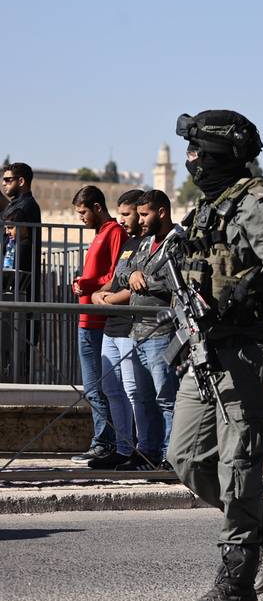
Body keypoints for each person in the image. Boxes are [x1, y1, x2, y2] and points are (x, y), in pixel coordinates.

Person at [166, 111, 263, 601]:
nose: (190, 161)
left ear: (222, 153)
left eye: (197, 152)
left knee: (237, 466)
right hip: (206, 351)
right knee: (185, 458)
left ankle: (237, 580)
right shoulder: (209, 208)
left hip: (250, 353)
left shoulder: (259, 204)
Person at [93, 189, 158, 470]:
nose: (123, 220)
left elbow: (137, 289)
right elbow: (117, 278)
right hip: (112, 324)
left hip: (131, 326)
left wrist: (107, 299)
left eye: (127, 214)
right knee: (112, 390)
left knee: (136, 392)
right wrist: (100, 294)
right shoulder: (129, 243)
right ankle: (122, 448)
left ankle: (144, 450)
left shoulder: (149, 244)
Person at [119, 189, 184, 466]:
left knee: (166, 398)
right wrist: (132, 274)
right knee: (143, 398)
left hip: (161, 331)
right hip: (137, 330)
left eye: (145, 214)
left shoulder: (179, 243)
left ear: (162, 213)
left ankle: (171, 456)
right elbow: (121, 270)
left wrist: (143, 279)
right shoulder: (144, 243)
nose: (140, 220)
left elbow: (174, 281)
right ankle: (147, 452)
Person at [70, 185, 132, 467]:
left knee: (100, 386)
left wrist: (87, 283)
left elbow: (116, 274)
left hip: (98, 320)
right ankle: (102, 441)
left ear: (96, 207)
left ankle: (105, 443)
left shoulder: (114, 232)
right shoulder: (99, 235)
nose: (81, 218)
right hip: (87, 317)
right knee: (92, 385)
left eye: (83, 212)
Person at [0, 162, 41, 382]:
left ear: (21, 181)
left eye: (8, 180)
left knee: (17, 344)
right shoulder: (18, 204)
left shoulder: (24, 207)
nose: (4, 184)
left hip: (19, 283)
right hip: (16, 284)